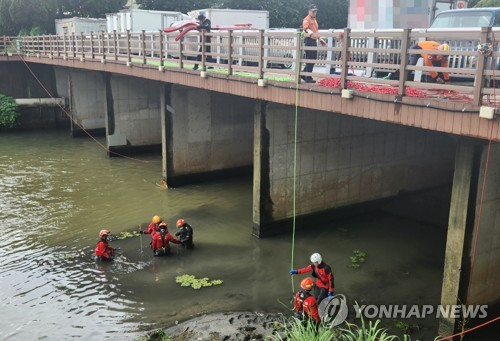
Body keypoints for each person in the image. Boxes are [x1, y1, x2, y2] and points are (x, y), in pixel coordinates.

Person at [302, 4, 326, 83]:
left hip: (314, 40)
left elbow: (315, 31)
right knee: (310, 59)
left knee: (313, 58)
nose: (314, 13)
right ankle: (308, 77)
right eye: (313, 11)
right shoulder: (306, 19)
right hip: (309, 40)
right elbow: (305, 28)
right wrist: (309, 31)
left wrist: (320, 39)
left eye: (315, 11)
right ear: (309, 11)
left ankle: (303, 73)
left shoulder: (314, 20)